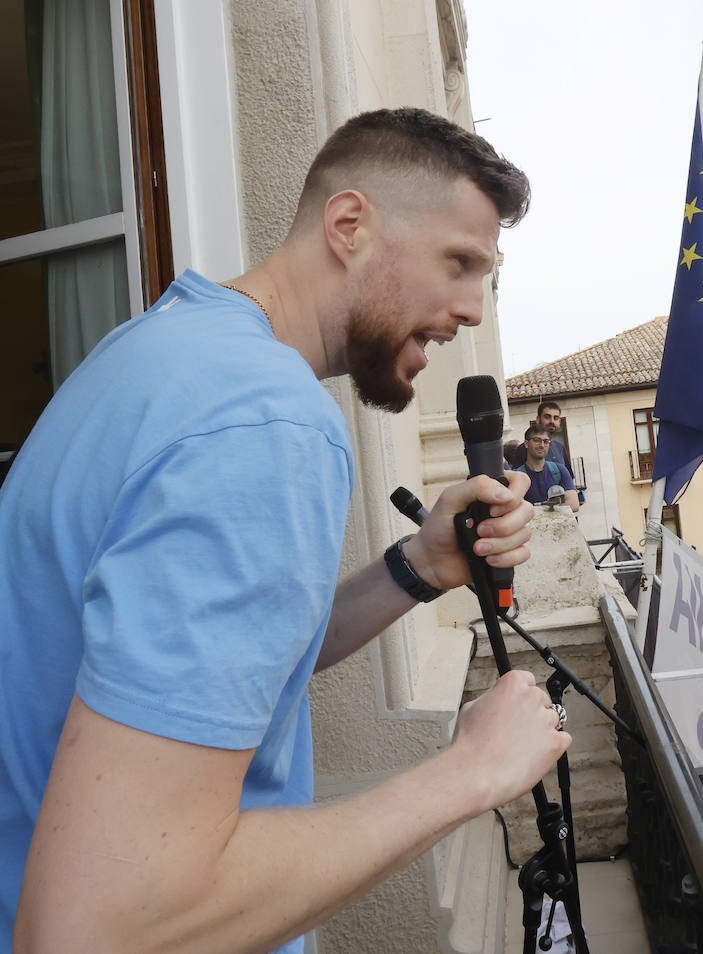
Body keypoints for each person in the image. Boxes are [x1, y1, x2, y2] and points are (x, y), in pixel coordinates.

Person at [0, 109, 571, 953]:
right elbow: (103, 924)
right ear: (349, 226)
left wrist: (419, 566)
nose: (471, 312)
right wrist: (470, 773)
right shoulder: (265, 423)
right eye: (459, 263)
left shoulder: (150, 354)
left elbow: (208, 671)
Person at [514, 424, 579, 511]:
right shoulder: (517, 476)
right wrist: (552, 509)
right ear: (526, 444)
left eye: (546, 441)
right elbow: (515, 509)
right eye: (537, 440)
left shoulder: (560, 470)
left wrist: (537, 510)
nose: (542, 445)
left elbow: (574, 504)